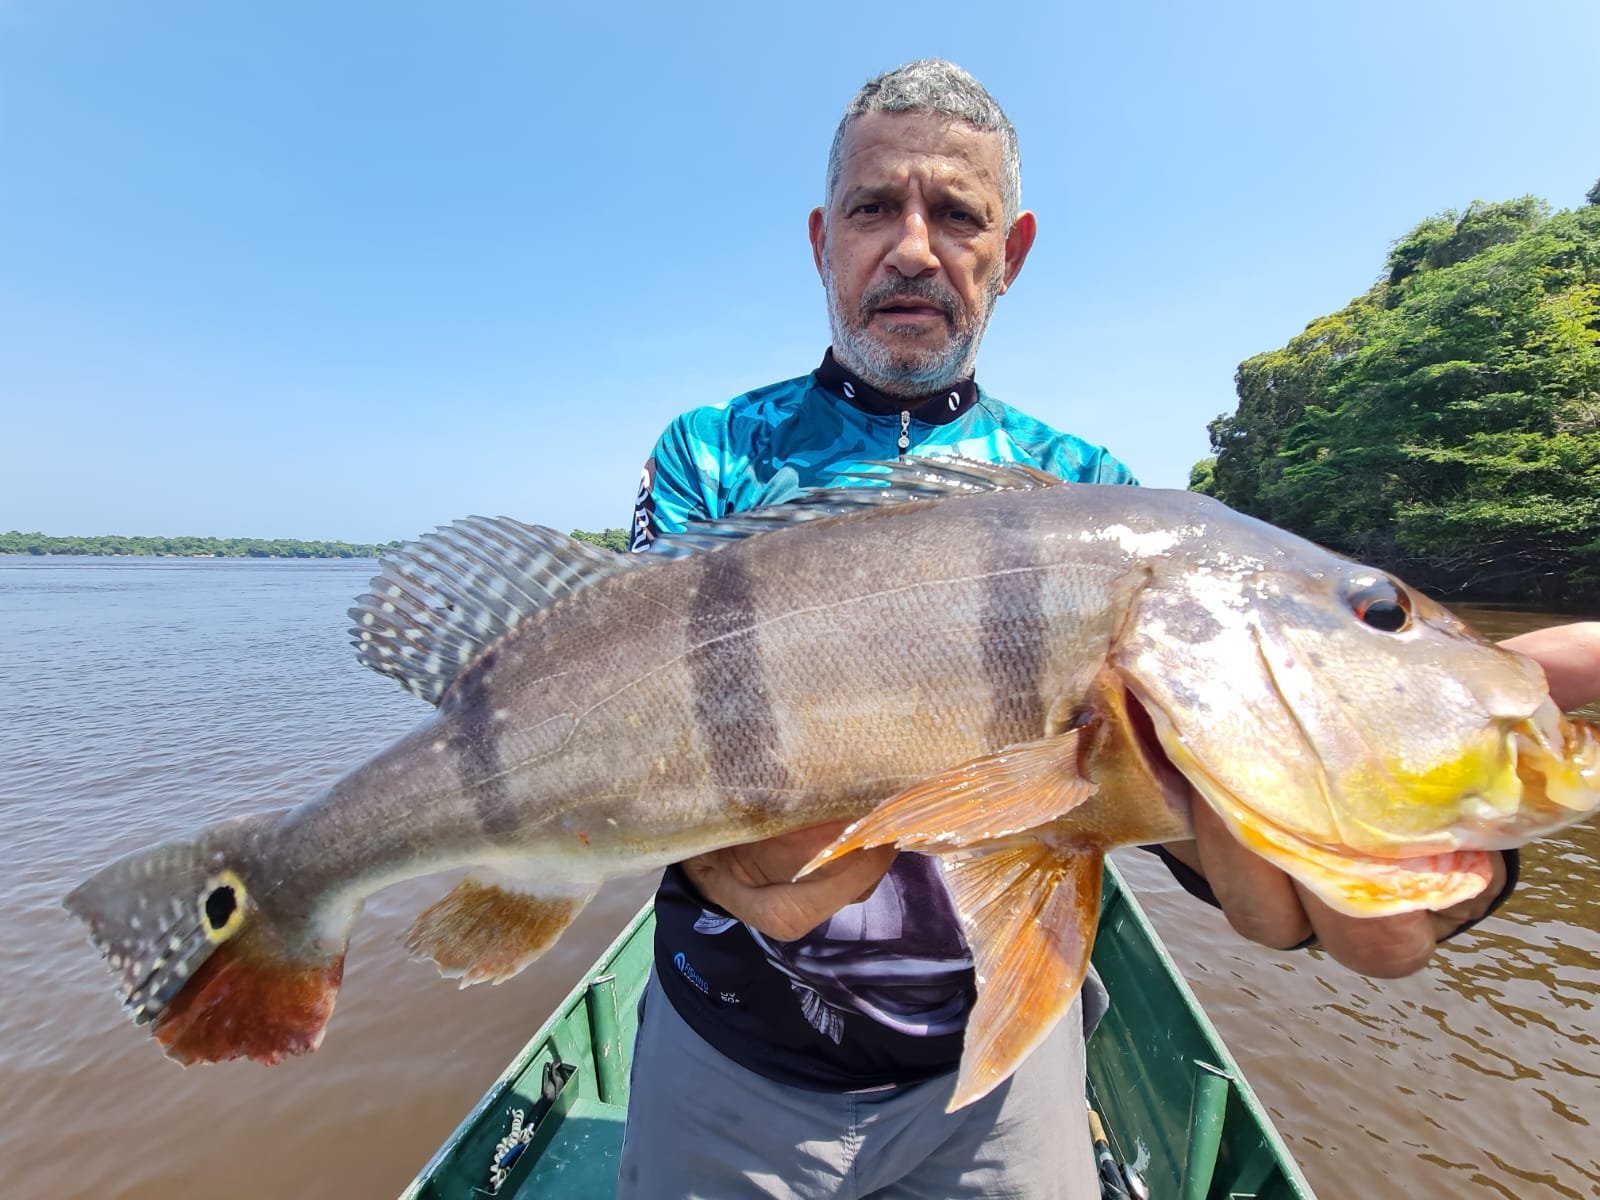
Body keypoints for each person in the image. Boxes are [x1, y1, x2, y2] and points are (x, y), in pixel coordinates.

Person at [615, 59, 1600, 1199]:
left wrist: (1347, 821)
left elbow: (1151, 797)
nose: (915, 247)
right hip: (724, 1059)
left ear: (1013, 250)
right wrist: (709, 855)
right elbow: (616, 717)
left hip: (999, 1078)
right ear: (821, 239)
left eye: (959, 214)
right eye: (874, 207)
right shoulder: (709, 457)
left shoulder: (1096, 491)